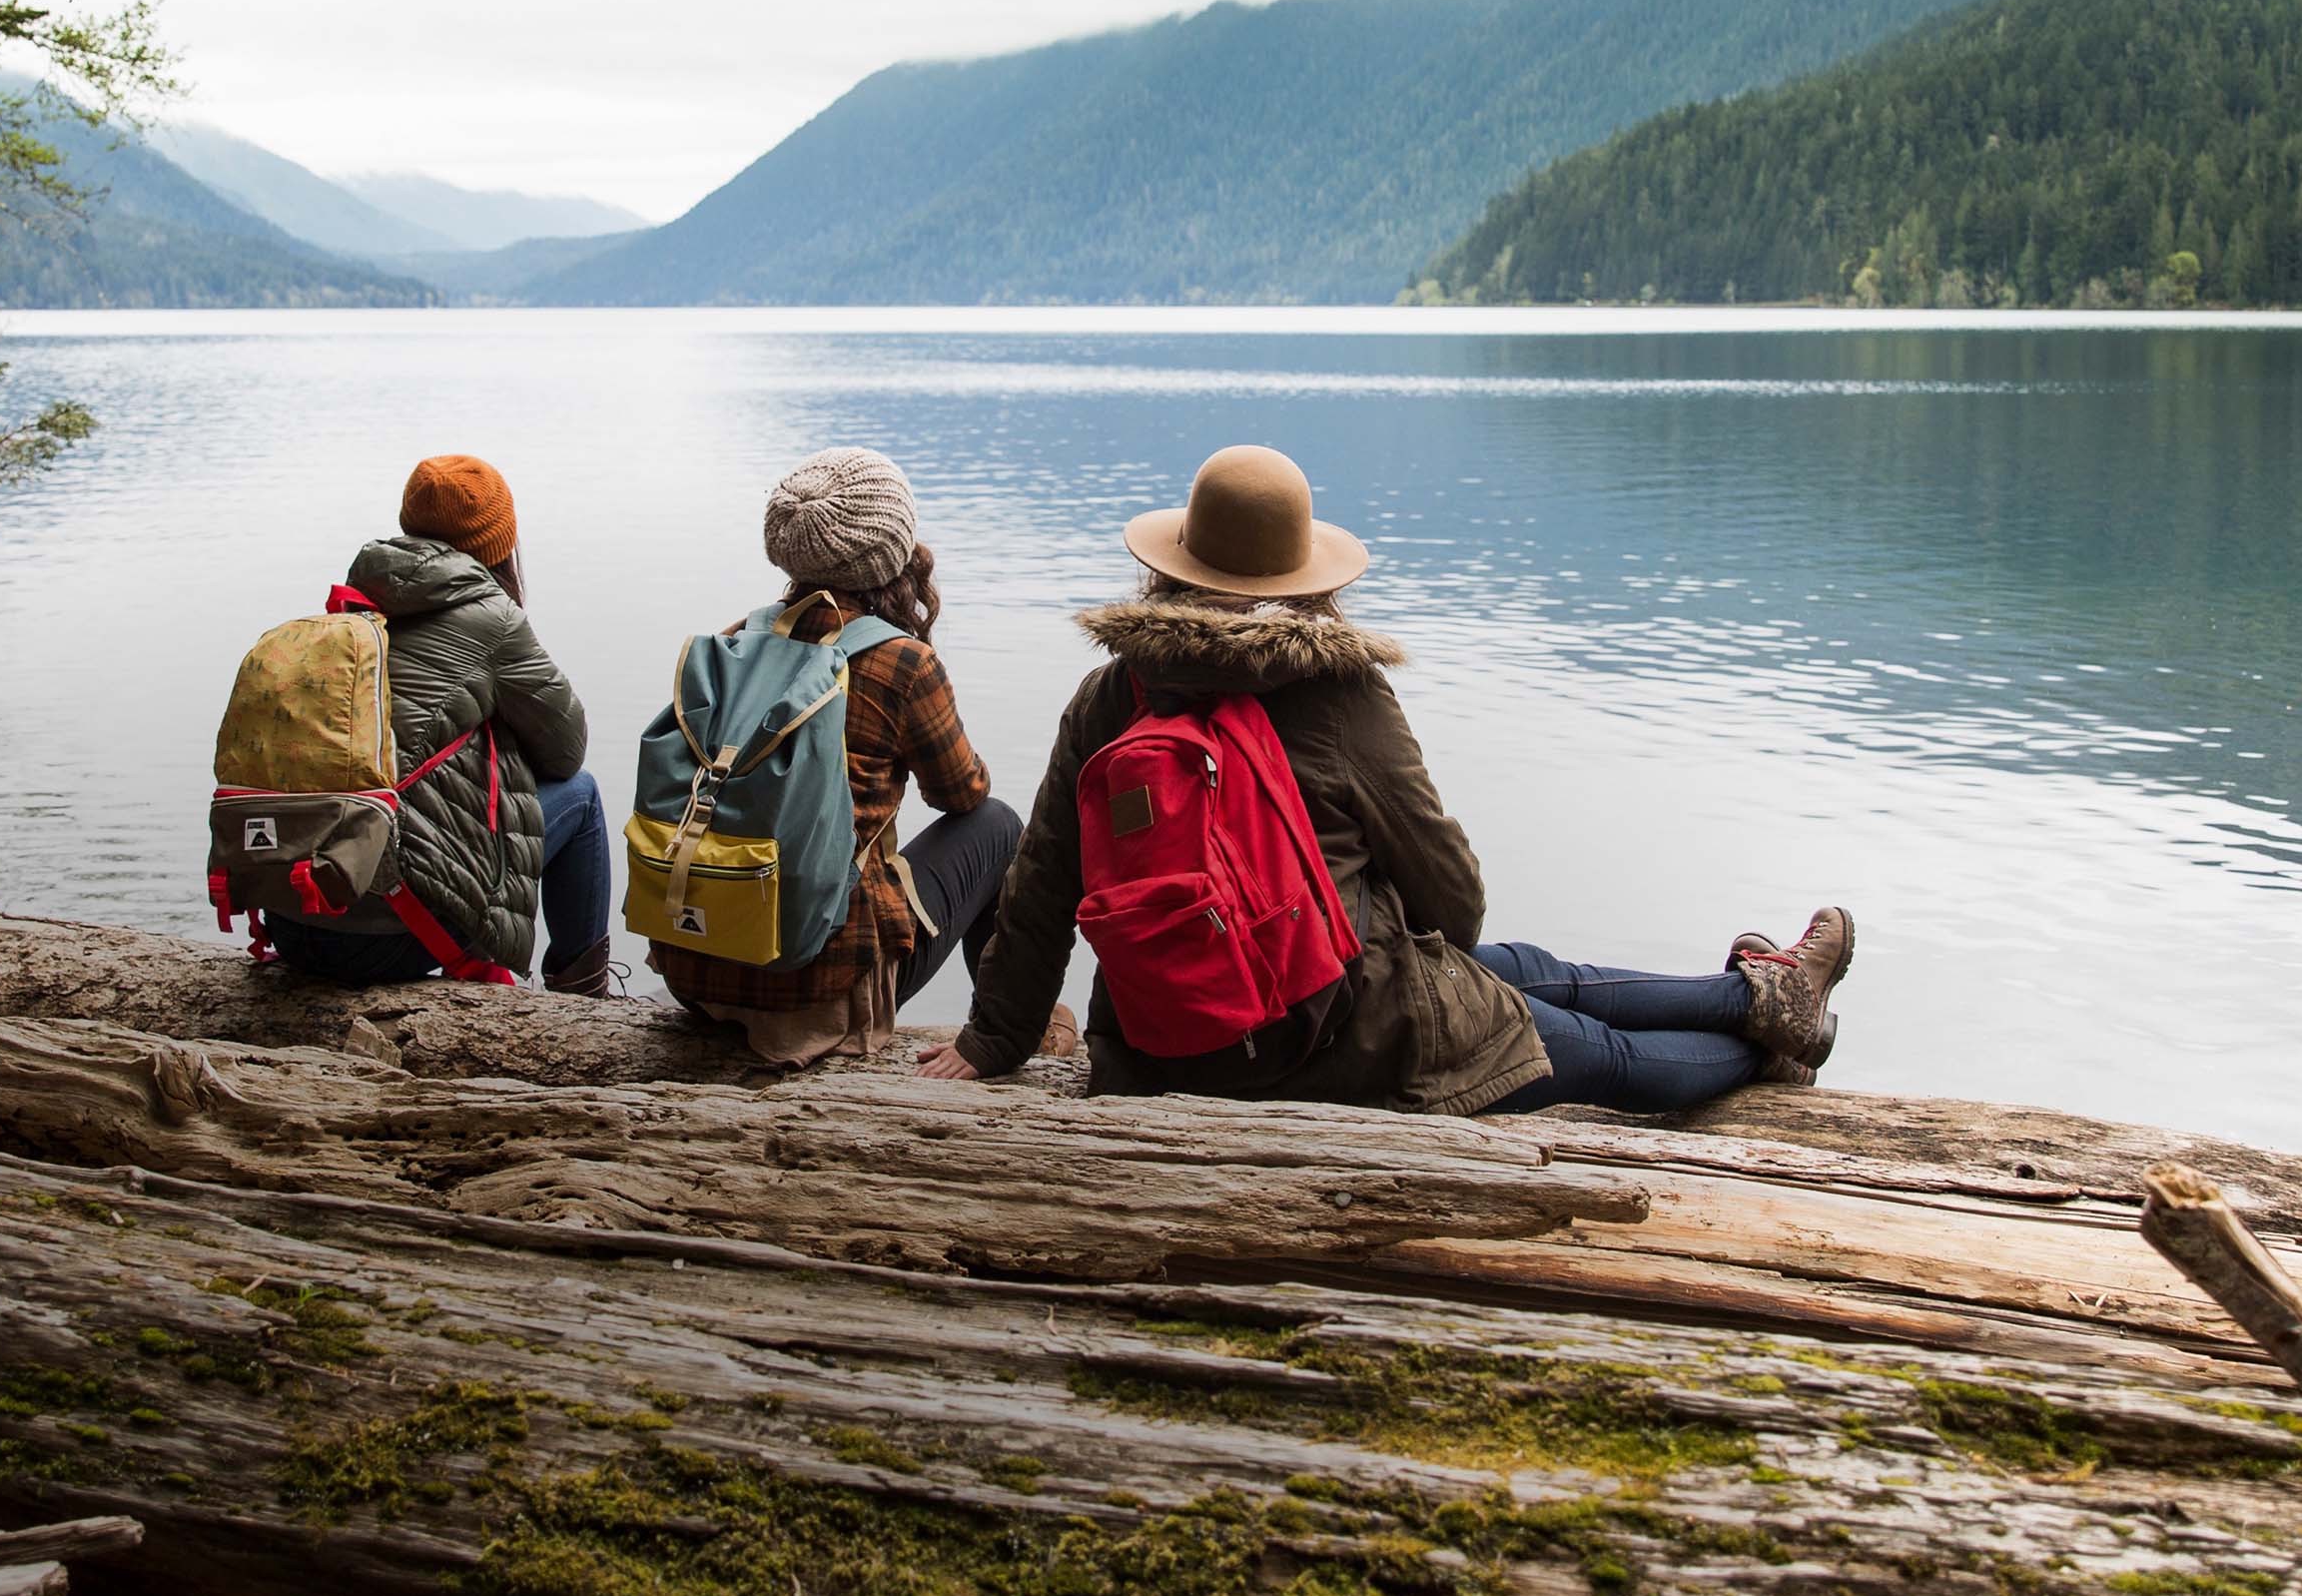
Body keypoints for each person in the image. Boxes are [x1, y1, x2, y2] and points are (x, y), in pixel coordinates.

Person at [934, 443, 1849, 1111]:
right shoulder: (1337, 692)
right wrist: (1399, 941)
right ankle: (1772, 1050)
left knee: (1526, 972)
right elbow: (1456, 900)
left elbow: (1046, 881)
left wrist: (993, 1039)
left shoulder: (1111, 695)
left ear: (1172, 570)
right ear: (1304, 581)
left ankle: (1762, 994)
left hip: (1158, 1047)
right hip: (1338, 1040)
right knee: (1593, 1054)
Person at [651, 448, 1024, 1065]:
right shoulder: (902, 661)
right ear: (892, 551)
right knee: (998, 825)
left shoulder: (734, 642)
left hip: (697, 973)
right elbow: (962, 794)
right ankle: (1004, 1030)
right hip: (818, 990)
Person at [258, 454, 616, 995]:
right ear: (500, 543)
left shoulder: (351, 607)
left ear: (408, 522)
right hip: (389, 936)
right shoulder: (494, 621)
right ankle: (584, 998)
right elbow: (567, 753)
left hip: (293, 913)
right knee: (582, 796)